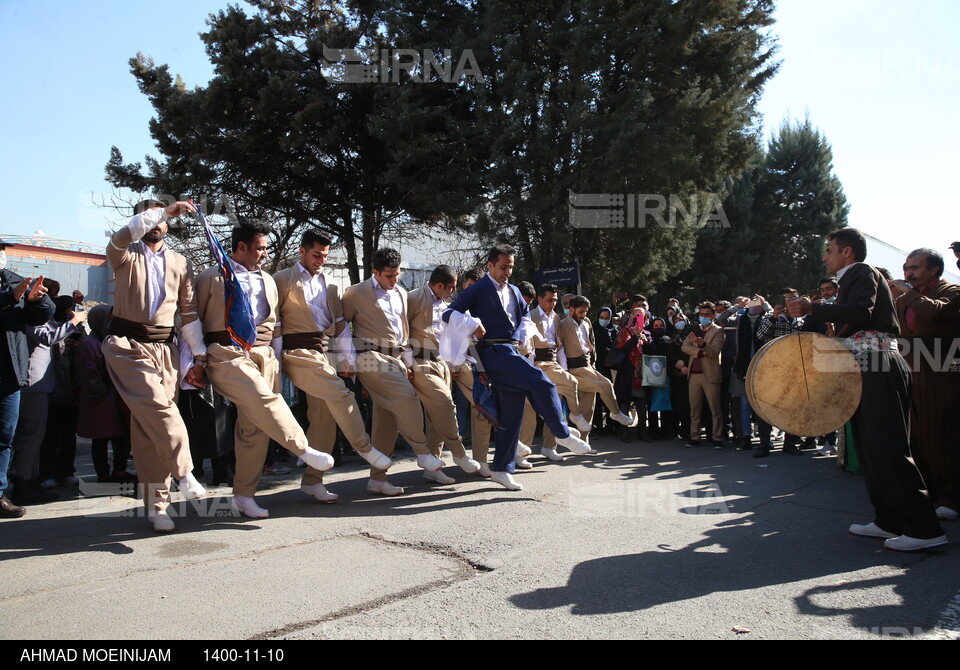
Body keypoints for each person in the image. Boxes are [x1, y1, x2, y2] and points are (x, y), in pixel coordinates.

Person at [787, 228, 945, 552]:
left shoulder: (861, 271)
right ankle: (889, 520)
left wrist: (812, 309)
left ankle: (925, 528)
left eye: (829, 249)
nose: (824, 256)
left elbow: (861, 311)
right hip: (865, 367)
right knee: (870, 449)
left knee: (887, 447)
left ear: (847, 252)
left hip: (879, 364)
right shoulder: (850, 279)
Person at [193, 222, 346, 518]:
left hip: (264, 355)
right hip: (226, 352)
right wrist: (195, 362)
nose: (265, 254)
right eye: (260, 248)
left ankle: (243, 495)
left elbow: (274, 326)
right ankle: (303, 449)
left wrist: (278, 361)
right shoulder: (211, 278)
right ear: (241, 247)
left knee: (256, 427)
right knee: (264, 399)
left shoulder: (267, 280)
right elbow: (191, 321)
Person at [441, 244, 591, 490]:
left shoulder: (514, 291)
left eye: (511, 266)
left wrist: (522, 333)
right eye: (503, 267)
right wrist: (471, 323)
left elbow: (523, 317)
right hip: (492, 351)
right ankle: (562, 432)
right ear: (490, 265)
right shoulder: (478, 289)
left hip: (511, 349)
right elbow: (449, 313)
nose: (508, 271)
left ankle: (502, 468)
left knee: (511, 410)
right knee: (541, 381)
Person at [102, 199, 208, 532]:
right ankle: (185, 472)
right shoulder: (123, 253)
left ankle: (157, 505)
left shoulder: (180, 262)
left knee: (148, 428)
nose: (156, 224)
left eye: (161, 219)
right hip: (126, 345)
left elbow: (188, 314)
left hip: (166, 349)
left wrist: (199, 356)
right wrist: (162, 211)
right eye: (148, 218)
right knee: (158, 407)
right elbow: (123, 235)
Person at [273, 231, 394, 500]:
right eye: (317, 255)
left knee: (325, 417)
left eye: (325, 256)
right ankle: (364, 447)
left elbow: (340, 326)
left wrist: (347, 359)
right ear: (302, 251)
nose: (321, 260)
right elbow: (274, 325)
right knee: (341, 394)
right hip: (295, 352)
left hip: (324, 353)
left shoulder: (331, 283)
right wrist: (275, 363)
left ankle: (312, 481)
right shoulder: (281, 280)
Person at [341, 247, 446, 496]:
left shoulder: (401, 293)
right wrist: (346, 360)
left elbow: (403, 332)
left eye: (397, 274)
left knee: (386, 418)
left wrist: (409, 363)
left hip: (397, 358)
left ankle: (377, 479)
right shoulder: (354, 293)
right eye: (389, 275)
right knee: (406, 398)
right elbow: (340, 325)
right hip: (369, 357)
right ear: (375, 272)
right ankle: (422, 452)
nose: (394, 279)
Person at [892, 248, 960, 522]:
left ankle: (953, 498)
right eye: (907, 267)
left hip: (946, 375)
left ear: (934, 270)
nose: (908, 272)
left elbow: (935, 314)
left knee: (946, 437)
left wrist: (907, 293)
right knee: (919, 438)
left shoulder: (951, 291)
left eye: (916, 267)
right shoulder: (903, 298)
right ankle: (931, 493)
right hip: (914, 373)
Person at [406, 265, 482, 485]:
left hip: (442, 363)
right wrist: (408, 364)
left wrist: (453, 360)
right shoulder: (413, 298)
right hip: (420, 362)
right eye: (451, 287)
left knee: (436, 416)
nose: (453, 291)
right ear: (439, 285)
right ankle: (459, 453)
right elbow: (402, 330)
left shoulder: (448, 306)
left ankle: (434, 466)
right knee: (446, 404)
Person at [0, 245, 54, 518]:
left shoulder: (12, 279)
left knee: (6, 437)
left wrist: (37, 300)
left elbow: (42, 317)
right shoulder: (11, 289)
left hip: (9, 373)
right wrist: (11, 296)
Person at [558, 296, 632, 442]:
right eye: (580, 312)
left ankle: (583, 442)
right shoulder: (563, 325)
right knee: (605, 385)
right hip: (573, 369)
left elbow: (592, 344)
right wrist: (565, 372)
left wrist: (592, 363)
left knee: (588, 407)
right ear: (571, 310)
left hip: (588, 366)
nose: (583, 315)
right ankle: (615, 413)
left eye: (586, 312)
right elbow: (559, 349)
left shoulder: (586, 322)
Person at [75, 305, 134, 484]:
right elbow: (88, 374)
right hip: (101, 400)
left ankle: (120, 472)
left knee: (122, 439)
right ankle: (104, 476)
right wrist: (102, 396)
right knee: (100, 440)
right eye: (108, 319)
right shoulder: (89, 344)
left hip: (117, 397)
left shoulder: (112, 341)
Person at [682, 302, 725, 449]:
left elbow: (715, 352)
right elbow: (684, 346)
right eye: (701, 314)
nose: (704, 317)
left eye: (707, 315)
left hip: (711, 374)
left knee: (715, 408)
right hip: (694, 374)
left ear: (713, 315)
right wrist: (700, 352)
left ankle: (717, 438)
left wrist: (702, 344)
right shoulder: (695, 329)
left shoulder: (718, 331)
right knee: (695, 408)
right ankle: (695, 437)